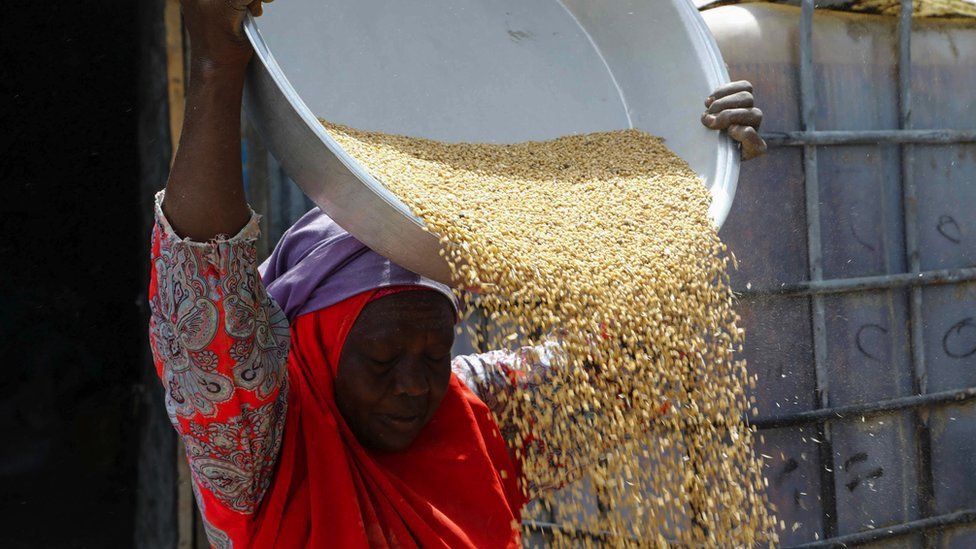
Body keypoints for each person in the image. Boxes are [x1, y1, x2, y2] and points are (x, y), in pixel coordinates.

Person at [149, 1, 767, 547]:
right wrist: (216, 66)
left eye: (433, 355)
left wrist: (695, 168)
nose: (415, 387)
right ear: (316, 345)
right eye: (383, 360)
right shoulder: (264, 445)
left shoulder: (475, 410)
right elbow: (205, 283)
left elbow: (650, 354)